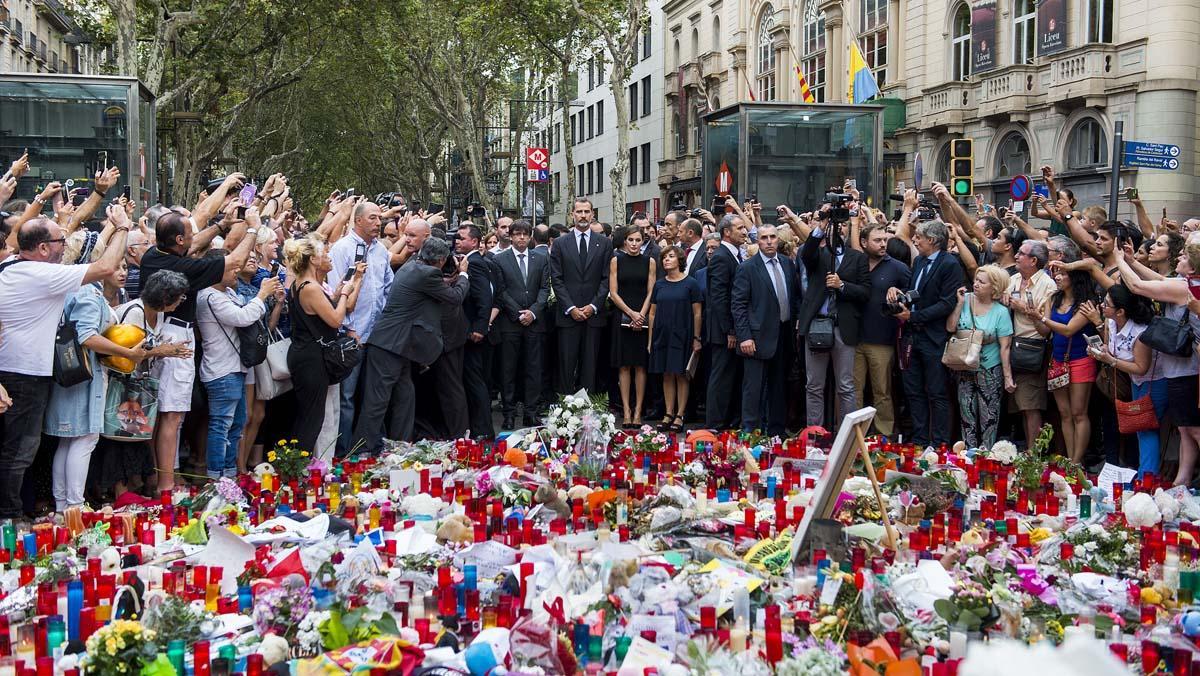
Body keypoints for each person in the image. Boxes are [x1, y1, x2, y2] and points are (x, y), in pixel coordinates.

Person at [0, 208, 129, 520]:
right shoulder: (40, 274)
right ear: (43, 248)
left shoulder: (11, 266)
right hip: (23, 375)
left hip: (18, 372)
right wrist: (123, 226)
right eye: (61, 240)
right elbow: (106, 266)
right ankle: (9, 517)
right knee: (19, 452)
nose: (65, 245)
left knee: (21, 450)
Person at [45, 233, 184, 511]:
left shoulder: (80, 290)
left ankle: (66, 505)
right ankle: (71, 505)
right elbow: (86, 335)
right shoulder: (86, 291)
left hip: (77, 375)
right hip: (85, 376)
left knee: (71, 440)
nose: (116, 266)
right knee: (83, 438)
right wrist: (129, 353)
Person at [138, 189, 259, 492]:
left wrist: (221, 225)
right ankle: (167, 484)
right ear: (179, 241)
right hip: (176, 336)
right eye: (190, 233)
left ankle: (159, 476)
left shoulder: (155, 255)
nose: (194, 237)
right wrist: (253, 228)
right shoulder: (182, 268)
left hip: (162, 332)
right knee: (172, 415)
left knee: (165, 413)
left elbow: (196, 246)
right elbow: (234, 261)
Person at [354, 238, 469, 452]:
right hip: (389, 345)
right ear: (442, 260)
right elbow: (454, 298)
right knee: (377, 401)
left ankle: (400, 445)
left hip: (401, 346)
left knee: (405, 396)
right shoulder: (428, 274)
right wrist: (463, 274)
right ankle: (362, 450)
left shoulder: (413, 265)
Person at [1113, 242, 1200, 486]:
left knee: (1193, 429)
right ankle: (1181, 482)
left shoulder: (1184, 289)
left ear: (1192, 267)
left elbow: (1138, 286)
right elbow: (1161, 280)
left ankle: (1181, 480)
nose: (1178, 258)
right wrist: (1132, 261)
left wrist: (1118, 259)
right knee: (1185, 429)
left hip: (1187, 369)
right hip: (1184, 368)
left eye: (1183, 256)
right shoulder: (1186, 284)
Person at [101, 270, 190, 500]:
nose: (181, 301)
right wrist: (164, 351)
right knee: (119, 436)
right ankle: (121, 493)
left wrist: (164, 351)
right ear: (164, 298)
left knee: (135, 436)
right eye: (178, 297)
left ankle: (134, 488)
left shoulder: (157, 314)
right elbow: (125, 353)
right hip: (119, 381)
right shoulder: (134, 312)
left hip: (136, 382)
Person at [196, 253, 282, 478]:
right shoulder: (209, 297)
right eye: (231, 268)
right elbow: (243, 317)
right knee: (221, 425)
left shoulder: (229, 293)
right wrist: (262, 294)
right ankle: (216, 477)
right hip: (221, 370)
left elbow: (251, 314)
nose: (237, 271)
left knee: (237, 424)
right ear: (216, 271)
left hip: (237, 368)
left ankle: (230, 474)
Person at [888, 220, 964, 446]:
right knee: (913, 391)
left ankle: (940, 443)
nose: (915, 240)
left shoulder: (950, 264)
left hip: (934, 337)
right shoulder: (919, 260)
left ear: (932, 240)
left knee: (937, 392)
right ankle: (920, 439)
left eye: (919, 237)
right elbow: (916, 292)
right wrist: (899, 294)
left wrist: (914, 317)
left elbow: (946, 303)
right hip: (913, 337)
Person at [327, 201, 395, 455]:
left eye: (380, 219)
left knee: (373, 394)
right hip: (351, 336)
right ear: (358, 221)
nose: (379, 223)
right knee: (347, 397)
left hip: (378, 335)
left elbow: (388, 285)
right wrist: (348, 327)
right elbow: (336, 291)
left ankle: (369, 444)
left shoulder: (380, 250)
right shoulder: (341, 249)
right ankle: (343, 451)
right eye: (374, 218)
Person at [286, 234, 364, 454]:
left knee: (315, 415)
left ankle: (311, 466)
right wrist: (344, 294)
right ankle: (298, 468)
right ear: (313, 259)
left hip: (308, 353)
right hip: (310, 358)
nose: (328, 256)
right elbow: (336, 319)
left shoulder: (302, 284)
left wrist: (347, 287)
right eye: (324, 253)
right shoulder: (309, 287)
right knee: (311, 418)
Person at [797, 213, 870, 429]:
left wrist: (842, 286)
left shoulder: (858, 258)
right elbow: (806, 253)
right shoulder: (817, 254)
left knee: (846, 386)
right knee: (814, 386)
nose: (839, 229)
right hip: (818, 325)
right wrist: (820, 226)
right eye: (835, 226)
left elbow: (865, 292)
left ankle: (847, 435)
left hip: (843, 328)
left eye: (844, 226)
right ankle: (814, 434)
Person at [1084, 284, 1162, 476]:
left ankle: (1146, 478)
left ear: (1120, 311)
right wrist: (1101, 352)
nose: (1102, 305)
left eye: (1107, 304)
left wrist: (1110, 361)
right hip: (1134, 381)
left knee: (1145, 428)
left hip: (1154, 382)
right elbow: (1111, 349)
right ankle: (1140, 474)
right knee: (1138, 428)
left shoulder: (1139, 332)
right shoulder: (1111, 322)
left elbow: (1141, 367)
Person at [731, 225, 802, 436]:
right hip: (756, 337)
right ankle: (750, 431)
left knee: (779, 386)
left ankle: (777, 431)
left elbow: (794, 297)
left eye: (773, 237)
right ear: (758, 242)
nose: (769, 241)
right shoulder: (747, 268)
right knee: (753, 388)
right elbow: (738, 305)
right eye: (764, 238)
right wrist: (744, 336)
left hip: (783, 334)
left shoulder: (788, 264)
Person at [1033, 259, 1098, 464]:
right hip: (1058, 359)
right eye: (1056, 273)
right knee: (1065, 413)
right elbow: (1044, 332)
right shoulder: (1053, 298)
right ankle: (1069, 459)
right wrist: (1033, 315)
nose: (1057, 277)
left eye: (1062, 273)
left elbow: (1070, 329)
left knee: (1079, 412)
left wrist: (1042, 319)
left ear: (1075, 276)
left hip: (1081, 358)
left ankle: (1077, 461)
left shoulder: (1087, 302)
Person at [947, 265, 1014, 448]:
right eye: (976, 280)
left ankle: (986, 457)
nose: (975, 284)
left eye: (981, 282)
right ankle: (968, 455)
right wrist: (959, 304)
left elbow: (1005, 347)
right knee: (966, 416)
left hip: (989, 370)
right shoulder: (965, 299)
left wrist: (1008, 378)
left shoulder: (1000, 312)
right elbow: (951, 327)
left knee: (989, 418)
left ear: (994, 287)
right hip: (964, 367)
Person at [549, 199, 613, 393]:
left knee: (590, 367)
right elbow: (556, 279)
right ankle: (565, 411)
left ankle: (588, 414)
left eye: (587, 211)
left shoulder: (603, 243)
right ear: (572, 214)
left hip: (593, 316)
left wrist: (593, 306)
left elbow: (606, 278)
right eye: (579, 212)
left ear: (593, 214)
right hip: (568, 315)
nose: (583, 215)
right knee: (566, 366)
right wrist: (571, 308)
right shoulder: (560, 243)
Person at [854, 223, 911, 437]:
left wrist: (899, 292)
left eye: (884, 240)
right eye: (877, 240)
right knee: (853, 391)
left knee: (882, 392)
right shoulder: (855, 263)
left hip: (882, 340)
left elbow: (912, 296)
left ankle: (883, 436)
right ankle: (854, 436)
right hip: (853, 338)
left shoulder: (898, 268)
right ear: (863, 242)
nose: (883, 244)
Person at [494, 220, 550, 428]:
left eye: (525, 235)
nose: (521, 238)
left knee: (533, 369)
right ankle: (509, 413)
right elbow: (501, 291)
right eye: (517, 234)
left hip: (534, 323)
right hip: (510, 323)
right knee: (508, 370)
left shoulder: (540, 259)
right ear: (510, 236)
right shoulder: (500, 259)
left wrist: (533, 312)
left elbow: (544, 289)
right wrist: (518, 313)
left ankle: (531, 412)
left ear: (531, 237)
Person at [1002, 239, 1057, 447]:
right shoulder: (1013, 279)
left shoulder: (1048, 285)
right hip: (1012, 346)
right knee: (1021, 406)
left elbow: (1046, 327)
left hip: (1033, 348)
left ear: (1033, 260)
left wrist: (1026, 309)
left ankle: (1034, 456)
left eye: (1021, 254)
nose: (1016, 256)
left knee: (1031, 406)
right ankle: (1028, 450)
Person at [648, 246, 703, 432]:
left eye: (670, 256)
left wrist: (696, 337)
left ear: (679, 260)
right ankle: (668, 412)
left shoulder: (691, 283)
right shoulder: (659, 284)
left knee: (681, 374)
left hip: (683, 334)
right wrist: (650, 340)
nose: (666, 260)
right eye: (664, 257)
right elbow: (652, 313)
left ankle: (680, 414)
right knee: (666, 374)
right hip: (662, 334)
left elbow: (697, 313)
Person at [705, 214, 748, 429]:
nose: (744, 231)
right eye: (739, 227)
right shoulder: (722, 256)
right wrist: (730, 330)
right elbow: (719, 297)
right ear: (727, 232)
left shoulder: (736, 255)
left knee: (731, 376)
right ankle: (715, 423)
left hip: (733, 328)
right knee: (721, 376)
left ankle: (728, 421)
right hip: (724, 331)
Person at [609, 228, 655, 426]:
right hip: (622, 315)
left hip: (643, 316)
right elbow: (613, 292)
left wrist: (641, 315)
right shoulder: (616, 260)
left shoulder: (650, 262)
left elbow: (651, 291)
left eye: (638, 240)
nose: (634, 243)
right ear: (625, 241)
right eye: (630, 240)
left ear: (642, 242)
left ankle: (638, 411)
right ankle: (626, 410)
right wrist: (631, 313)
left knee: (641, 365)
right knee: (624, 365)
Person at [456, 223, 496, 438]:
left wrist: (480, 327)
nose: (457, 241)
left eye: (462, 238)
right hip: (469, 329)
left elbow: (485, 297)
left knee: (475, 381)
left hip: (473, 332)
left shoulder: (475, 263)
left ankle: (483, 430)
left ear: (474, 241)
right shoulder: (469, 261)